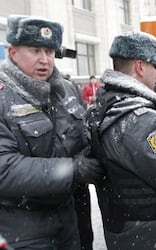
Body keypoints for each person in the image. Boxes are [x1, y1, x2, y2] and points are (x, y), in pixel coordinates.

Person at [0, 15, 104, 249]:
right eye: (34, 50)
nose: (44, 60)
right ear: (12, 52)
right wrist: (70, 170)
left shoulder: (66, 90)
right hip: (23, 229)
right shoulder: (3, 97)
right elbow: (3, 168)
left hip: (72, 221)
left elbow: (84, 139)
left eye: (49, 51)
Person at [85, 31, 156, 250]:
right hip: (151, 229)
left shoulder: (104, 103)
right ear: (140, 67)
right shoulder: (139, 119)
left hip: (125, 225)